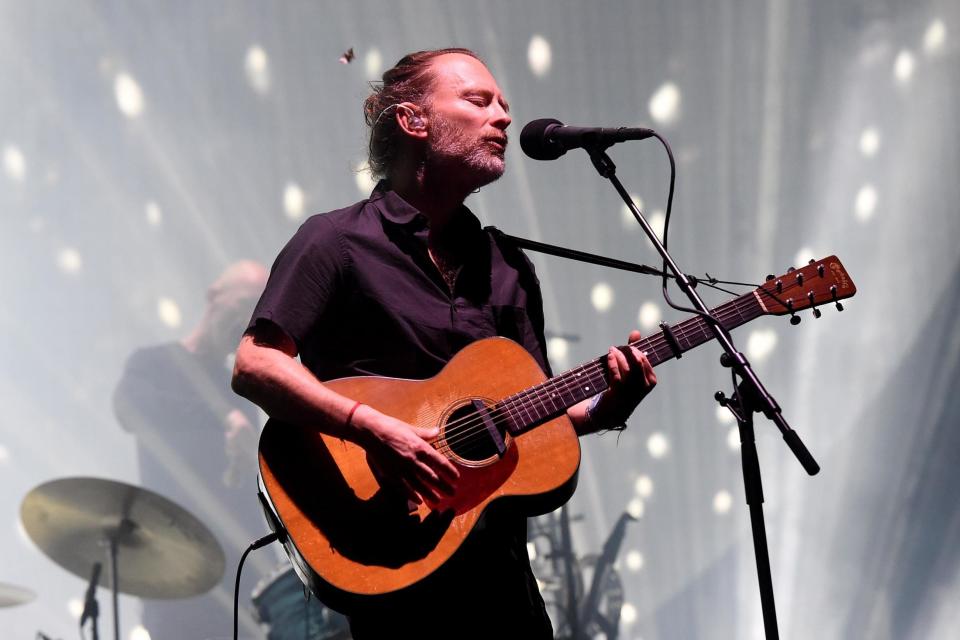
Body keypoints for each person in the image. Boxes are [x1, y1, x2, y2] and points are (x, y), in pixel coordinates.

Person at [231, 48, 657, 639]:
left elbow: (537, 416)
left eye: (504, 105)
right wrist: (373, 429)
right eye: (478, 101)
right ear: (413, 121)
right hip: (394, 556)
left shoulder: (507, 265)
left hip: (503, 580)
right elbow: (255, 364)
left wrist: (612, 406)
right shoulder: (334, 241)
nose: (503, 117)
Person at [114, 260, 272, 640]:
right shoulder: (152, 363)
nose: (246, 322)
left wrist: (247, 463)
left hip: (236, 578)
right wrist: (221, 420)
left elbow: (245, 489)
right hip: (170, 569)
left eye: (256, 315)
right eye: (245, 305)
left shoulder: (239, 390)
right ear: (214, 295)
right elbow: (128, 408)